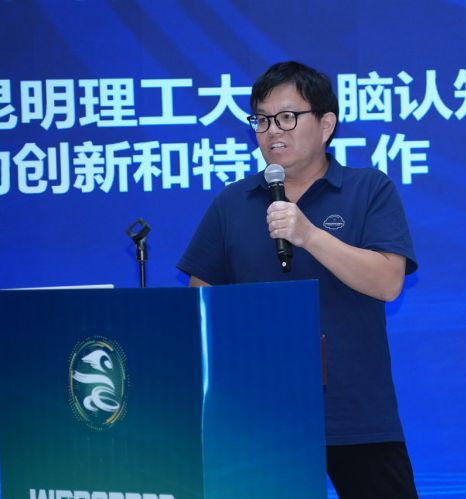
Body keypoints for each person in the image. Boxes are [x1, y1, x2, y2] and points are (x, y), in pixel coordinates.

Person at [177, 61, 419, 498]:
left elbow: (388, 282)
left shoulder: (369, 189)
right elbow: (201, 308)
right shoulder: (232, 203)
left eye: (287, 117)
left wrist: (308, 235)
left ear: (326, 125)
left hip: (356, 414)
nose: (273, 131)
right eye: (262, 120)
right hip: (259, 419)